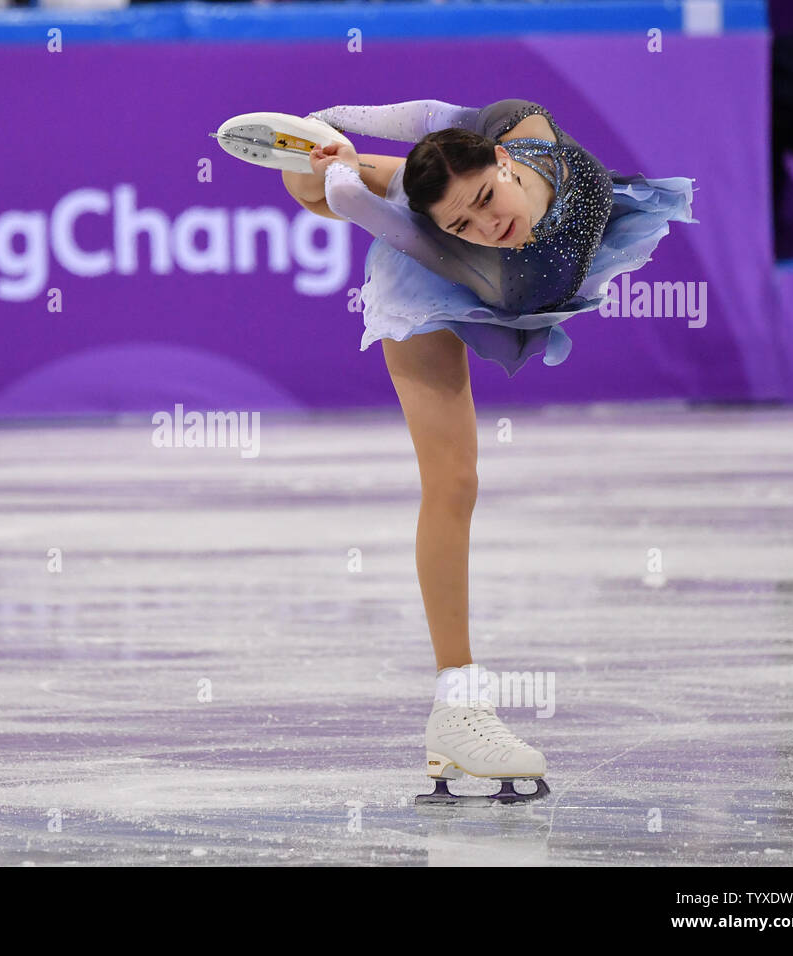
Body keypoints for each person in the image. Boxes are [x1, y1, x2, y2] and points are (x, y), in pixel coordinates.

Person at [278, 98, 697, 803]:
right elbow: (399, 227)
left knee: (381, 202)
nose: (487, 222)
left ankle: (375, 197)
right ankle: (458, 705)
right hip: (423, 264)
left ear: (504, 158)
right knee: (454, 482)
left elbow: (438, 124)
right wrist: (318, 160)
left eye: (485, 197)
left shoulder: (547, 164)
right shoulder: (451, 223)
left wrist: (352, 152)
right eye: (465, 220)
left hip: (496, 274)